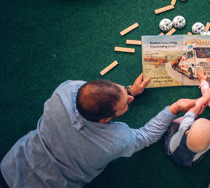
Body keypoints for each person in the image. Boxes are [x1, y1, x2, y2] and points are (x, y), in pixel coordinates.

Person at [0, 74, 196, 188]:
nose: (131, 99)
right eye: (125, 105)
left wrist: (128, 90)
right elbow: (145, 136)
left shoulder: (65, 91)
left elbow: (95, 95)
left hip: (10, 164)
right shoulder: (116, 140)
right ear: (105, 120)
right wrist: (174, 108)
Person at [164, 89, 210, 167]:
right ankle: (190, 118)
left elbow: (192, 110)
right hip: (189, 162)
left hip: (171, 150)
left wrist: (204, 98)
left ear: (187, 132)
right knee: (198, 157)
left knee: (174, 124)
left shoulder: (184, 128)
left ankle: (190, 118)